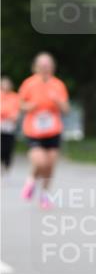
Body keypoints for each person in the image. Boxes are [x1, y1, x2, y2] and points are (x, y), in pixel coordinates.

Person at [18, 54, 69, 208]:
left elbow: (66, 109)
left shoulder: (58, 85)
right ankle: (31, 180)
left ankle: (45, 195)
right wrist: (29, 107)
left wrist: (58, 102)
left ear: (52, 67)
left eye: (48, 66)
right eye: (42, 66)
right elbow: (20, 105)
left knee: (50, 165)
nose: (45, 68)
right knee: (40, 162)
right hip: (34, 131)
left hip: (53, 130)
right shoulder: (29, 84)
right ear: (36, 67)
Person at [1, 77, 21, 172]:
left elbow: (17, 110)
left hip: (10, 125)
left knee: (8, 146)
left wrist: (12, 116)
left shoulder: (15, 97)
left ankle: (7, 163)